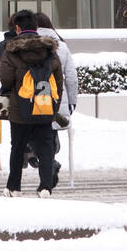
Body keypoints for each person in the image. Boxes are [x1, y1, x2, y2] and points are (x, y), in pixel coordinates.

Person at [0, 10, 65, 197]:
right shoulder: (50, 50)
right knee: (45, 148)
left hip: (20, 109)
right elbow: (58, 80)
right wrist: (53, 107)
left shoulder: (11, 51)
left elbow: (7, 80)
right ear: (36, 28)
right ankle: (45, 187)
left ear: (17, 28)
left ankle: (14, 187)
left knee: (17, 147)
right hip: (44, 106)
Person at [34, 12, 77, 191]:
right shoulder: (63, 46)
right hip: (58, 99)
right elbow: (72, 78)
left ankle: (49, 166)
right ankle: (50, 165)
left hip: (36, 97)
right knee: (50, 135)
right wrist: (72, 101)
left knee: (36, 136)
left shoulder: (31, 44)